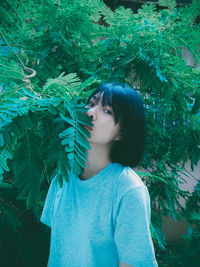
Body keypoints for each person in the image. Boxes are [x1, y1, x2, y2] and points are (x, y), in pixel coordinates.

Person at [40, 82, 158, 267]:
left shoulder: (128, 190)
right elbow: (57, 250)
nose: (90, 112)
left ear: (122, 133)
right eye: (91, 103)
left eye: (107, 111)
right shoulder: (63, 174)